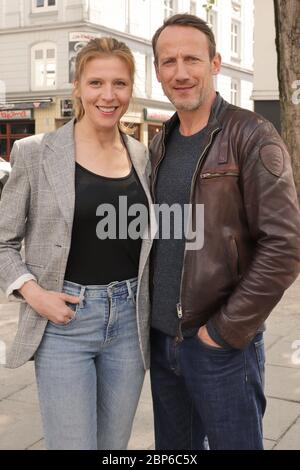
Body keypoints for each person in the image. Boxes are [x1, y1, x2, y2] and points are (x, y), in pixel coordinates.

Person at [149, 14, 300, 450]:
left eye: (192, 59)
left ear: (215, 63)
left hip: (221, 346)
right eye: (169, 61)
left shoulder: (251, 134)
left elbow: (285, 246)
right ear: (157, 70)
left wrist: (222, 333)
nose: (180, 72)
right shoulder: (162, 141)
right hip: (163, 341)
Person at [0, 37, 153, 450]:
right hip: (64, 322)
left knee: (113, 448)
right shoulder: (34, 152)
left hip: (129, 323)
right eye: (96, 83)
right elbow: (2, 243)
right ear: (77, 87)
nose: (108, 95)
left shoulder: (142, 156)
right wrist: (33, 294)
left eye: (119, 84)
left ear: (131, 89)